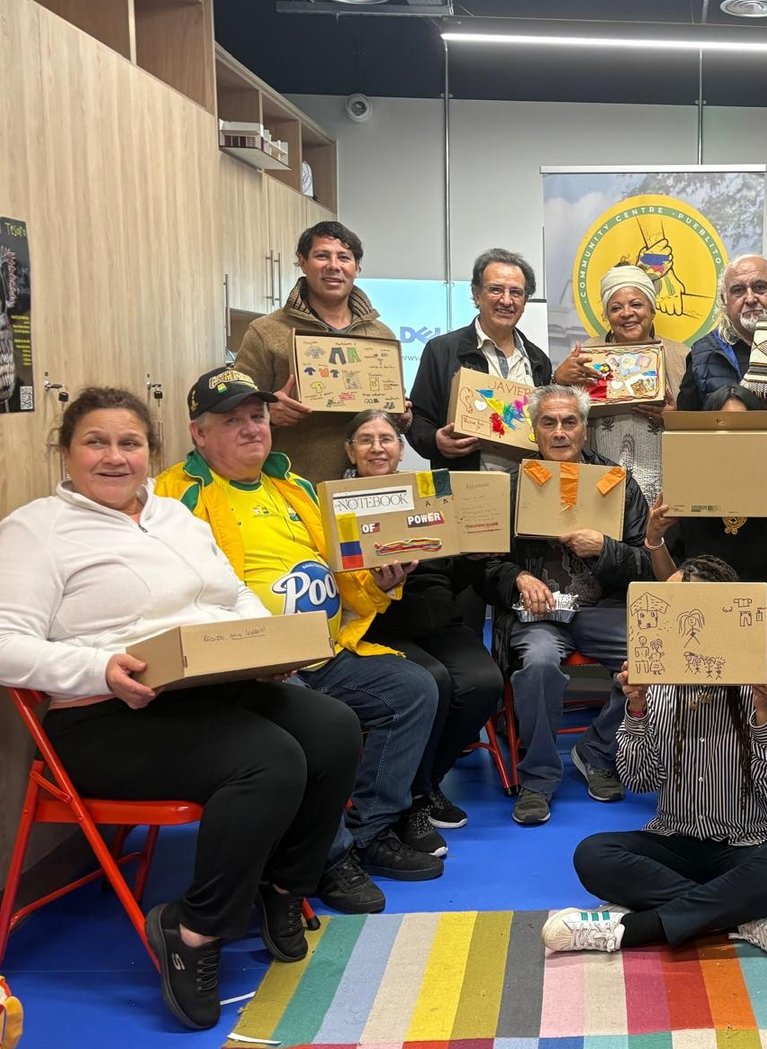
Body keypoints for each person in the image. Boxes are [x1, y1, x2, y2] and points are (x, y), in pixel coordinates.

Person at [0, 388, 361, 1030]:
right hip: (104, 716)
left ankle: (282, 888)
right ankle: (193, 931)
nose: (115, 457)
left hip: (206, 690)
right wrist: (97, 668)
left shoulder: (174, 517)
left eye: (130, 443)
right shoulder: (36, 531)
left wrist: (266, 644)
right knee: (270, 760)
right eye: (96, 442)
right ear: (66, 451)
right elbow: (5, 643)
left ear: (151, 451)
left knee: (333, 727)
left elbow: (234, 597)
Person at [154, 367, 443, 916]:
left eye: (258, 416)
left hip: (325, 652)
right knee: (320, 725)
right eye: (232, 420)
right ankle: (329, 858)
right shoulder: (175, 495)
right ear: (199, 434)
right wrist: (252, 653)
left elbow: (344, 576)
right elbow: (174, 596)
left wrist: (381, 585)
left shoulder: (296, 487)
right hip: (249, 667)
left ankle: (369, 830)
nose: (251, 428)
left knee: (414, 688)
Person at [543, 554, 767, 961]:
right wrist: (635, 710)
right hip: (675, 840)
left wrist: (762, 715)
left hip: (750, 841)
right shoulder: (658, 679)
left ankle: (631, 930)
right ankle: (744, 919)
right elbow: (640, 780)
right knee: (592, 855)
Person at [482, 384, 648, 826]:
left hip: (601, 609)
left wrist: (606, 550)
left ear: (584, 429)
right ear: (535, 430)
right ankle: (537, 778)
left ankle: (597, 751)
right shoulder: (512, 486)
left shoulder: (618, 483)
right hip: (538, 615)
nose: (559, 432)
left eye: (569, 422)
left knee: (655, 655)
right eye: (549, 422)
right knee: (538, 663)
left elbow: (647, 564)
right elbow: (484, 564)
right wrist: (518, 577)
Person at [341, 410, 505, 856]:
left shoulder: (430, 493)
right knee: (433, 680)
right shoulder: (333, 502)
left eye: (387, 439)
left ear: (401, 449)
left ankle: (426, 782)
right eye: (366, 440)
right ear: (350, 451)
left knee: (484, 682)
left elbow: (453, 570)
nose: (377, 448)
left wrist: (473, 555)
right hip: (378, 622)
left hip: (439, 617)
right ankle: (410, 801)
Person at [644, 386, 767, 694]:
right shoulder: (688, 494)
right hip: (702, 639)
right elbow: (672, 588)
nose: (733, 437)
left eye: (744, 427)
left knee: (751, 688)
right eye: (723, 428)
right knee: (654, 685)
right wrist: (655, 540)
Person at [235, 221, 403, 483]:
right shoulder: (266, 332)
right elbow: (233, 412)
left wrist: (401, 415)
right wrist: (267, 413)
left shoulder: (381, 336)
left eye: (344, 258)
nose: (333, 266)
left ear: (357, 267)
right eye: (322, 255)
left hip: (368, 491)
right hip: (294, 488)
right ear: (302, 262)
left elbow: (390, 416)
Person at [409, 248, 554, 473]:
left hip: (528, 485)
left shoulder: (538, 360)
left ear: (525, 301)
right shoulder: (441, 350)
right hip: (464, 484)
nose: (506, 300)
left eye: (516, 292)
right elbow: (418, 418)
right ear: (476, 294)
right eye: (496, 289)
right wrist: (435, 441)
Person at [675, 254, 767, 481]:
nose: (750, 298)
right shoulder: (703, 354)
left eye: (759, 287)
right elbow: (687, 437)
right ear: (724, 299)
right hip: (729, 486)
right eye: (738, 290)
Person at [565, 264, 691, 505]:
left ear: (652, 310)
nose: (626, 313)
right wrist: (560, 379)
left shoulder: (681, 356)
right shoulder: (588, 354)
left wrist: (675, 418)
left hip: (665, 480)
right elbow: (565, 417)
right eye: (616, 308)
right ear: (607, 316)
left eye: (636, 304)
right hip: (602, 478)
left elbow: (701, 427)